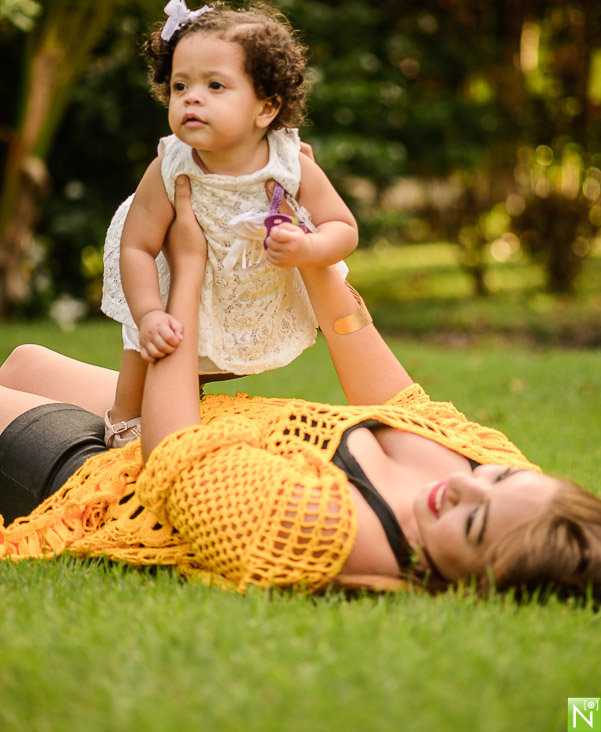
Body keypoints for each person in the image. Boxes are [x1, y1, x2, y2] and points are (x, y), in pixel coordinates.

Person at [0, 176, 600, 600]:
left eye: (472, 525)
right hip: (198, 422)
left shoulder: (322, 532)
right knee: (24, 358)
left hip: (108, 479)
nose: (463, 486)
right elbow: (399, 404)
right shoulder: (509, 484)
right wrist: (313, 255)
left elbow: (173, 458)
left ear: (474, 586)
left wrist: (187, 271)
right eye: (495, 480)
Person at [101, 0, 358, 447]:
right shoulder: (171, 166)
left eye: (215, 86)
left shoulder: (289, 163)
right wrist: (147, 315)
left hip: (248, 274)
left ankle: (184, 402)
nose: (192, 97)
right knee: (152, 346)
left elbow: (343, 227)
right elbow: (138, 245)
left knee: (211, 353)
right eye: (180, 86)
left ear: (266, 108)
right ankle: (123, 419)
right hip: (173, 272)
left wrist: (308, 248)